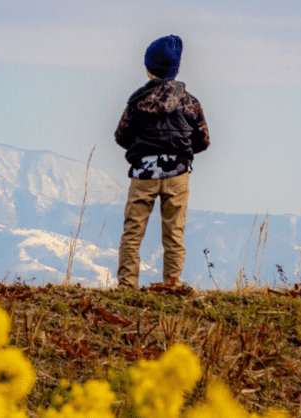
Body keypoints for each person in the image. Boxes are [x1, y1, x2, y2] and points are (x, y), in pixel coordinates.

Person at [114, 34, 210, 289]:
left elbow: (121, 136)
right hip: (178, 173)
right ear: (176, 69)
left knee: (133, 233)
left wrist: (142, 152)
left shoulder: (137, 102)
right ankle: (172, 283)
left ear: (148, 69)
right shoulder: (191, 103)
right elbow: (202, 140)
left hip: (143, 173)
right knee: (174, 234)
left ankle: (126, 286)